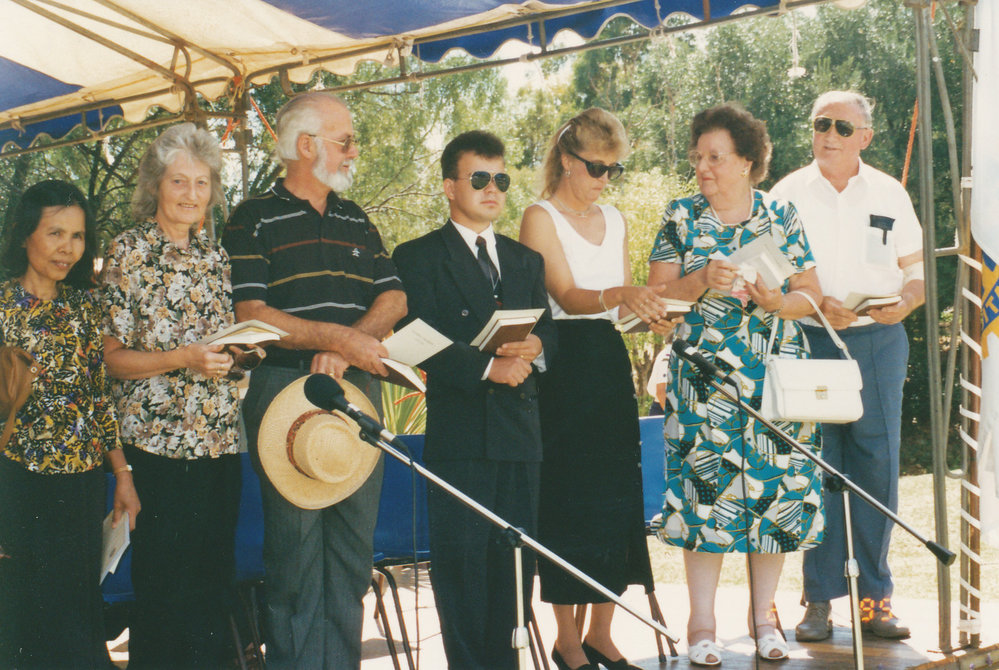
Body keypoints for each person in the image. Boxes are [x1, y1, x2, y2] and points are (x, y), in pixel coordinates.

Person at [222, 91, 406, 670]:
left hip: (355, 393)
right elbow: (250, 313)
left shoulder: (356, 216)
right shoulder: (251, 218)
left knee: (353, 555)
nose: (355, 150)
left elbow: (394, 296)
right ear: (306, 146)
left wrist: (348, 349)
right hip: (285, 398)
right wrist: (338, 339)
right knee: (295, 557)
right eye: (345, 139)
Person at [647, 103, 825, 666]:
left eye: (715, 157)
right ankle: (701, 625)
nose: (703, 167)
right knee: (706, 501)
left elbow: (812, 297)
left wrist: (778, 300)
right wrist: (701, 280)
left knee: (774, 500)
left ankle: (765, 620)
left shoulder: (783, 216)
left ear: (748, 162)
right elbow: (657, 305)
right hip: (703, 386)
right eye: (698, 157)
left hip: (775, 383)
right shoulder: (679, 216)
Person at [392, 130, 557, 670]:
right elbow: (418, 336)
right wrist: (488, 366)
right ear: (448, 186)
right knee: (462, 574)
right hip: (461, 437)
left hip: (520, 438)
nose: (493, 189)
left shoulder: (524, 259)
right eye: (479, 178)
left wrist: (536, 347)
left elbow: (549, 332)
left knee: (515, 574)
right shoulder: (417, 257)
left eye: (501, 180)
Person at [518, 108, 674, 670]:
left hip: (608, 360)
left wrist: (649, 313)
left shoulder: (615, 216)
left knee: (615, 493)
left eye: (615, 169)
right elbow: (566, 293)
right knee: (569, 497)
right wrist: (626, 293)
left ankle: (602, 633)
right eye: (596, 167)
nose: (605, 179)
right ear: (566, 158)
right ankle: (565, 640)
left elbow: (614, 306)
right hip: (563, 365)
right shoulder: (539, 216)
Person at [771, 90, 925, 642]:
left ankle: (874, 603)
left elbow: (917, 270)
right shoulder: (785, 192)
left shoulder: (889, 191)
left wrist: (907, 301)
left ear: (866, 136)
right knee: (816, 468)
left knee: (875, 467)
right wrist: (811, 300)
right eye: (820, 124)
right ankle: (818, 601)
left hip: (877, 342)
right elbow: (768, 274)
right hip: (809, 340)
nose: (829, 135)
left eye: (841, 126)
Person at [101, 123, 242, 668]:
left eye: (201, 183)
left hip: (219, 445)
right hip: (157, 450)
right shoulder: (129, 252)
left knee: (214, 589)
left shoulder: (217, 259)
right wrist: (182, 358)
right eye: (179, 181)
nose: (190, 194)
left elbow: (221, 347)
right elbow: (111, 359)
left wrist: (237, 356)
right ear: (156, 185)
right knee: (165, 595)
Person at [0, 179, 140, 668]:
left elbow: (98, 398)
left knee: (77, 618)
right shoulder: (0, 307)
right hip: (17, 485)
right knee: (23, 619)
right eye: (55, 233)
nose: (68, 248)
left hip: (80, 486)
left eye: (78, 236)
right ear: (23, 235)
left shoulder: (84, 308)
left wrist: (122, 476)